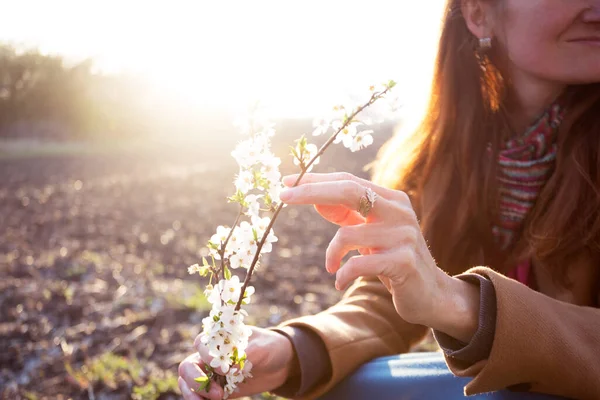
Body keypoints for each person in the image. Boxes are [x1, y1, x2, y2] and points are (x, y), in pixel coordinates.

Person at [178, 0, 600, 398]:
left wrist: (463, 304)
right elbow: (393, 298)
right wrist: (296, 348)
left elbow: (438, 294)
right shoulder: (445, 155)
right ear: (478, 13)